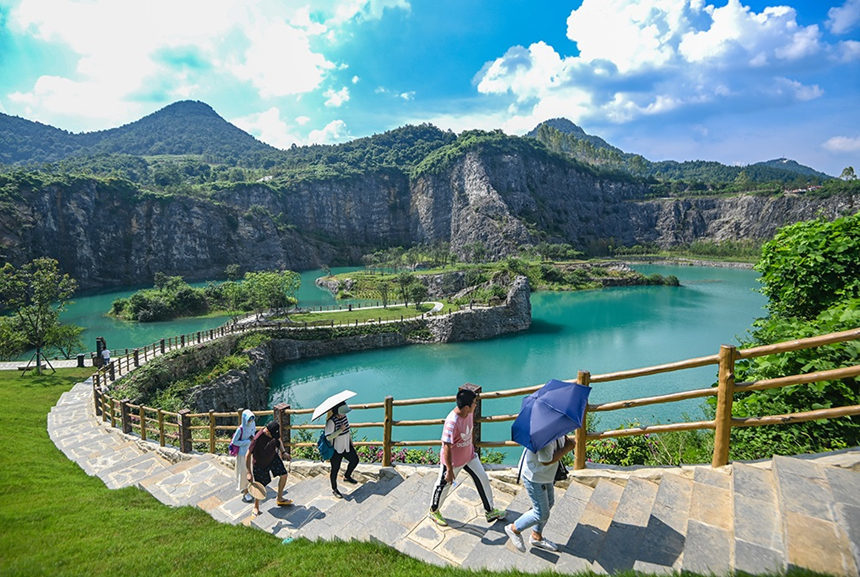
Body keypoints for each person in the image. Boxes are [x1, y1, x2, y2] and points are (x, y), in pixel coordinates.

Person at [428, 388, 506, 526]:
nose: (476, 405)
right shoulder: (452, 422)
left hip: (469, 456)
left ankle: (490, 511)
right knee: (442, 486)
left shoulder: (468, 413)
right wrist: (450, 470)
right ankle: (433, 511)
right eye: (474, 403)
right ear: (466, 407)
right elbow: (446, 446)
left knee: (483, 479)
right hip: (452, 462)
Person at [504, 435, 576, 553]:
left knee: (549, 503)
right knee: (541, 513)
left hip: (545, 475)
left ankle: (536, 536)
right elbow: (546, 460)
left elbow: (561, 442)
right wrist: (567, 448)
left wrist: (568, 441)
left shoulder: (556, 429)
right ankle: (514, 529)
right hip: (534, 477)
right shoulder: (543, 437)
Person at [245, 420, 292, 515]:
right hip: (260, 463)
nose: (274, 437)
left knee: (284, 475)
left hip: (272, 457)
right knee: (259, 486)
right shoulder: (257, 439)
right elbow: (248, 455)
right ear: (267, 431)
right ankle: (256, 506)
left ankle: (279, 498)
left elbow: (279, 440)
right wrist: (249, 472)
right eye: (272, 436)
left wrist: (283, 452)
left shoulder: (274, 432)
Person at [325, 401, 359, 498]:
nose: (344, 414)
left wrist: (351, 443)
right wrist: (340, 430)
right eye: (343, 412)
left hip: (346, 445)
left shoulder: (344, 417)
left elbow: (347, 431)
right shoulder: (331, 421)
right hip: (336, 449)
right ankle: (334, 489)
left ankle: (347, 476)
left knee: (355, 460)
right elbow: (328, 437)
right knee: (335, 469)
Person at [231, 409, 256, 503]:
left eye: (252, 418)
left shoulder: (252, 425)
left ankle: (249, 487)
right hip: (242, 454)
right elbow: (234, 442)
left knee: (250, 471)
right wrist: (247, 442)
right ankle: (245, 492)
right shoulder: (240, 429)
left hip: (250, 452)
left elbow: (253, 434)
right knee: (244, 472)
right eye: (249, 419)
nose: (251, 421)